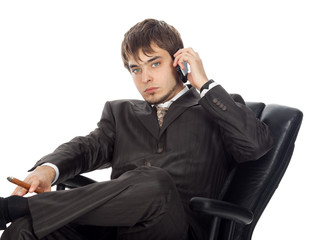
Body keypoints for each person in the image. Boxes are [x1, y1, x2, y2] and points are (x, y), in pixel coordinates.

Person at [0, 18, 273, 240]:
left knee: (155, 181)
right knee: (23, 230)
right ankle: (21, 213)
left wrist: (204, 84)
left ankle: (14, 208)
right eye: (135, 69)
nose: (146, 78)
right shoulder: (121, 113)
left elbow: (255, 145)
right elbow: (86, 148)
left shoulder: (216, 107)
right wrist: (48, 169)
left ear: (178, 62)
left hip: (174, 228)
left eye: (154, 63)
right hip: (110, 228)